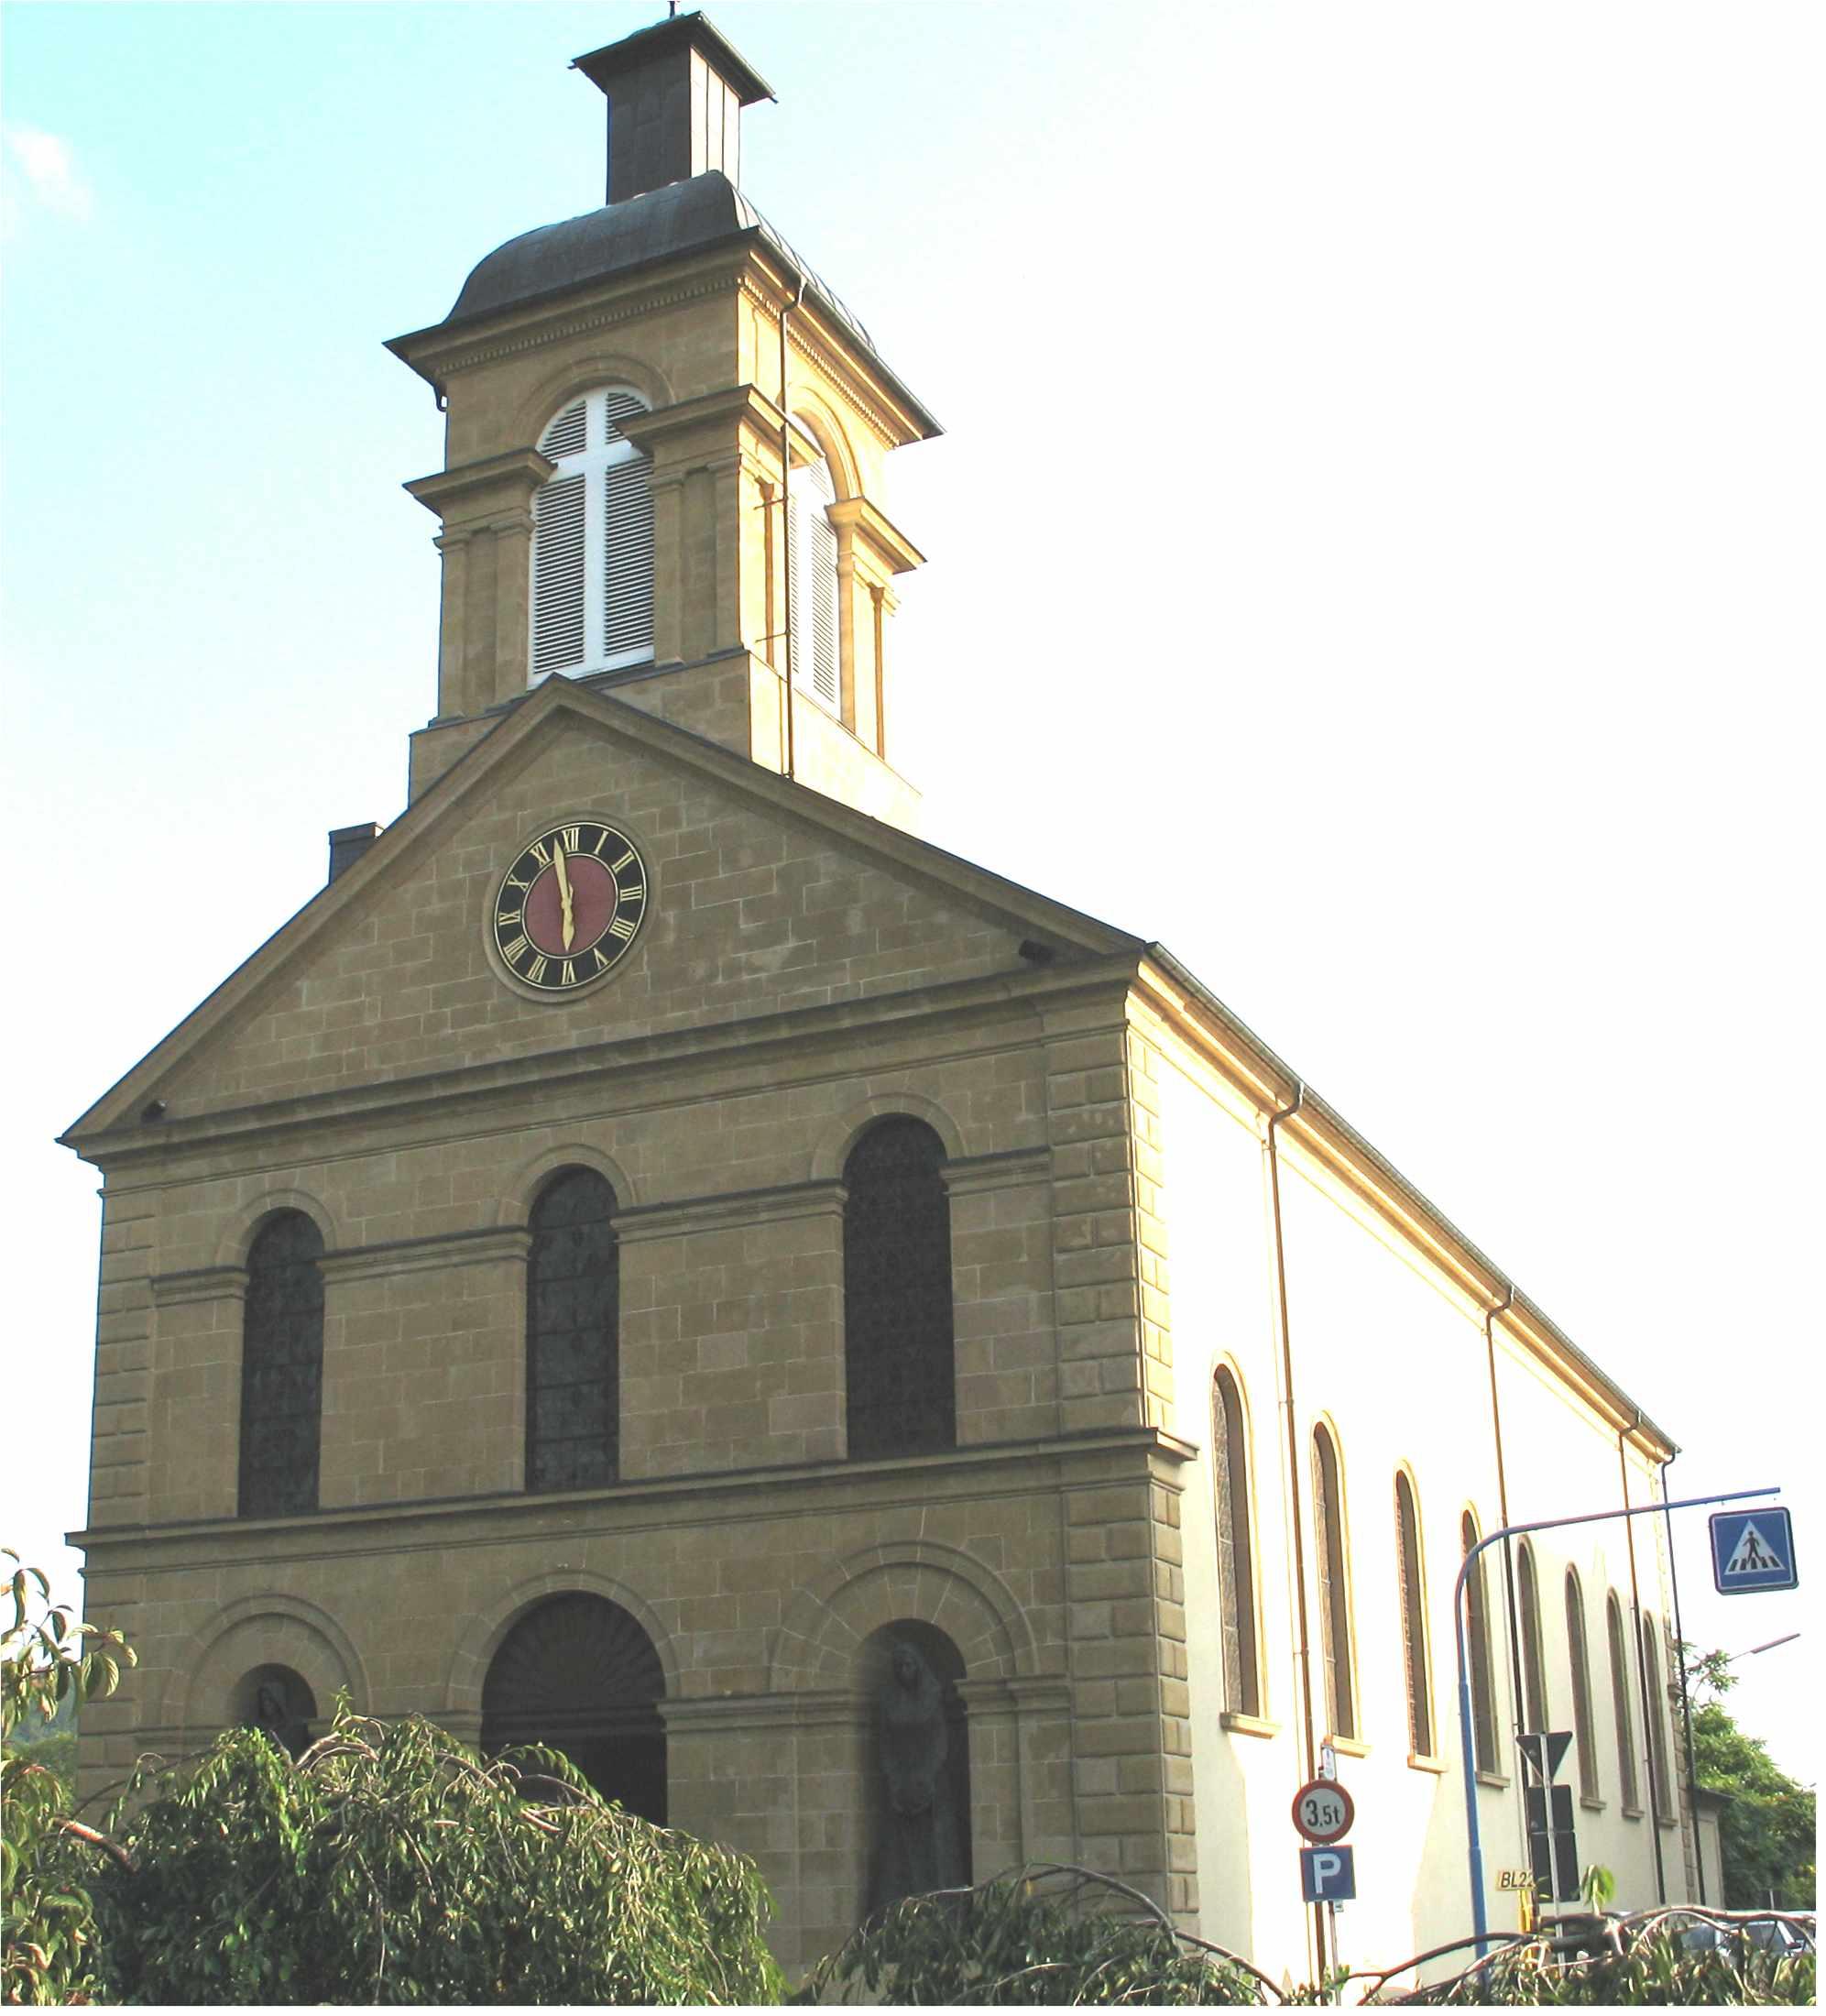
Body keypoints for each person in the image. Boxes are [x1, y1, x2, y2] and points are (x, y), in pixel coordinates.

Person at [869, 1638, 966, 1912]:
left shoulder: (933, 1695)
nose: (904, 1670)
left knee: (938, 1851)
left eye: (909, 1664)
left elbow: (940, 1741)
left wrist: (926, 1778)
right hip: (900, 1786)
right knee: (899, 1857)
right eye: (899, 1666)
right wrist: (896, 1779)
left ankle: (945, 1910)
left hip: (933, 1786)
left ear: (919, 1666)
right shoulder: (889, 1702)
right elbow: (885, 1744)